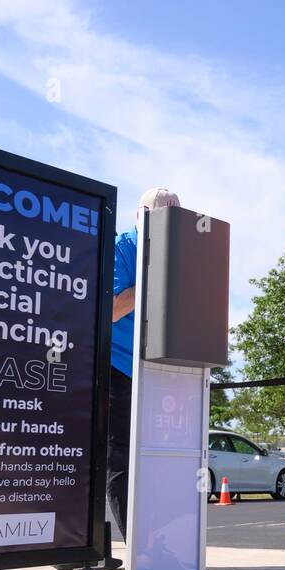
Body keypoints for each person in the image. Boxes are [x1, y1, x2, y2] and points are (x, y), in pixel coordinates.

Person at [108, 187, 181, 540]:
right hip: (117, 368)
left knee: (157, 459)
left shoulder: (183, 252)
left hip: (160, 370)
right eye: (162, 217)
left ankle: (153, 539)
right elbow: (114, 309)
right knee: (118, 456)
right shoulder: (122, 247)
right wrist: (156, 271)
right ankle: (139, 545)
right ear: (141, 216)